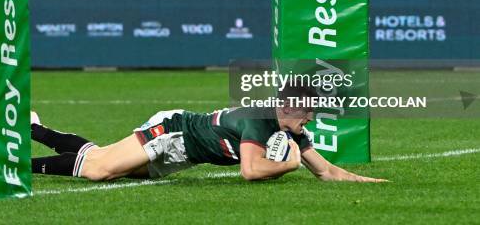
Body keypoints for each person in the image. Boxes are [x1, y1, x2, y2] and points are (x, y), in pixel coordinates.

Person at [29, 85, 386, 182]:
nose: (310, 119)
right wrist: (288, 167)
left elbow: (327, 172)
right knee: (98, 169)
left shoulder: (289, 130)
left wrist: (371, 182)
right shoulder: (257, 120)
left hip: (185, 155)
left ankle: (34, 128)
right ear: (288, 108)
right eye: (308, 113)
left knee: (99, 159)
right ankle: (20, 163)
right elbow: (251, 171)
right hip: (173, 131)